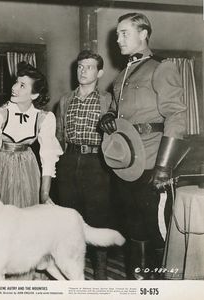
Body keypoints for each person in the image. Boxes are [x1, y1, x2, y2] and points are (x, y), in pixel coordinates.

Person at [99, 12, 187, 280]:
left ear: (144, 34)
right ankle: (138, 287)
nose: (118, 39)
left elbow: (176, 116)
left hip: (152, 164)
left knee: (157, 232)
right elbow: (120, 112)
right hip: (127, 166)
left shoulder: (161, 67)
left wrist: (163, 167)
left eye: (124, 33)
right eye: (117, 34)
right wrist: (109, 117)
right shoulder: (121, 76)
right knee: (134, 231)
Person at [55, 50, 114, 280]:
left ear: (99, 72)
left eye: (88, 67)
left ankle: (100, 274)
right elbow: (59, 135)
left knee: (98, 218)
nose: (82, 70)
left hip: (97, 163)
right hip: (69, 161)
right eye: (79, 66)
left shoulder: (108, 100)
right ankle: (72, 272)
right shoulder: (65, 99)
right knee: (70, 219)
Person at [0, 62, 62, 210]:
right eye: (16, 82)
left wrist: (44, 193)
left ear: (34, 94)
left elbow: (48, 156)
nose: (14, 88)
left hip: (28, 168)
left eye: (22, 85)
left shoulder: (44, 118)